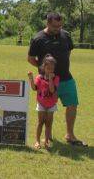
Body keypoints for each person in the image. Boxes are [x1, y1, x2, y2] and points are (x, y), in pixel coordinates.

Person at [28, 12, 87, 147]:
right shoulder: (38, 38)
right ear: (47, 23)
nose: (58, 29)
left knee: (72, 105)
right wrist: (43, 69)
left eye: (60, 26)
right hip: (47, 81)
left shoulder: (66, 35)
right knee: (47, 111)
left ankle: (70, 134)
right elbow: (30, 58)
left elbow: (68, 52)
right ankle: (46, 138)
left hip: (66, 78)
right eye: (55, 26)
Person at [28, 54, 59, 150]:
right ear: (43, 68)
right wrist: (31, 78)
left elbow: (52, 90)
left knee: (48, 123)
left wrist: (50, 79)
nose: (50, 70)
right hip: (41, 103)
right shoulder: (39, 78)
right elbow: (34, 88)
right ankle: (37, 141)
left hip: (51, 104)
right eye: (48, 68)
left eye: (52, 69)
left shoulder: (56, 78)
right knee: (40, 122)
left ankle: (46, 141)